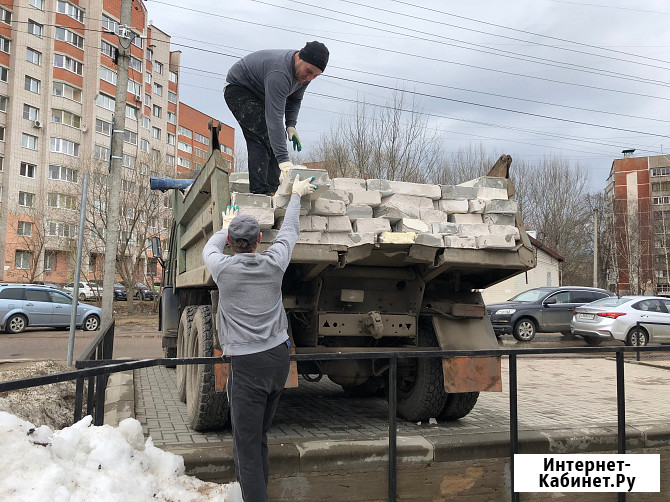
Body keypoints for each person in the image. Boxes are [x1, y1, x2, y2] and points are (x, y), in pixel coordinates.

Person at [202, 175, 317, 502]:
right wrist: (295, 195)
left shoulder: (222, 269)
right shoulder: (274, 262)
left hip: (247, 367)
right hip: (279, 361)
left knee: (246, 447)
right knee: (258, 437)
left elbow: (209, 247)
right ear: (258, 241)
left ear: (234, 243)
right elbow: (290, 230)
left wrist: (224, 228)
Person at [224, 41, 329, 195]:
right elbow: (274, 118)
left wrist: (291, 125)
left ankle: (273, 190)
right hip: (240, 88)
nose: (309, 78)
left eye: (315, 75)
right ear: (299, 57)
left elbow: (294, 100)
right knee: (261, 134)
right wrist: (284, 160)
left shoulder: (305, 75)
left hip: (262, 94)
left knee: (274, 137)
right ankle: (259, 193)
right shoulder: (280, 73)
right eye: (308, 71)